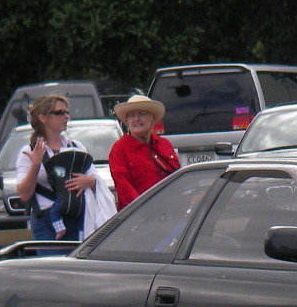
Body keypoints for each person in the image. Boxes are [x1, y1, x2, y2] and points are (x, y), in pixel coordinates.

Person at [15, 95, 116, 241]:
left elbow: (95, 178)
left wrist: (89, 181)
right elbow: (24, 194)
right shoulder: (29, 152)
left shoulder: (76, 147)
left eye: (67, 112)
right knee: (52, 264)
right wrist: (36, 164)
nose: (66, 117)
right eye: (59, 113)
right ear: (43, 118)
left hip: (78, 218)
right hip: (46, 221)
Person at [108, 93, 180, 209]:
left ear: (152, 118)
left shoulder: (164, 144)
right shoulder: (119, 149)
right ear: (127, 121)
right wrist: (145, 211)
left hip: (171, 211)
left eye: (141, 114)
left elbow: (178, 179)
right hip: (139, 217)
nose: (136, 119)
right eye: (131, 115)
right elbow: (124, 189)